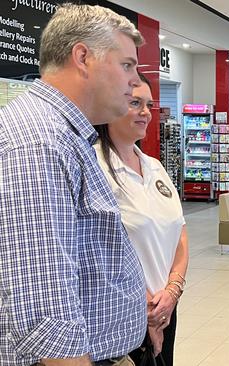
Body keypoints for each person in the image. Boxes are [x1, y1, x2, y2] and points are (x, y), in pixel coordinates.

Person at [0, 4, 146, 366]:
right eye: (126, 64)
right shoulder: (39, 142)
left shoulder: (67, 136)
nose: (134, 80)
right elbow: (43, 303)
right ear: (82, 57)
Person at [94, 73, 189, 366]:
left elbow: (180, 233)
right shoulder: (95, 168)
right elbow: (100, 251)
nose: (146, 112)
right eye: (135, 103)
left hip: (165, 309)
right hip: (123, 316)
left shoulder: (155, 167)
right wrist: (148, 308)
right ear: (109, 106)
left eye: (149, 104)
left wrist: (172, 292)